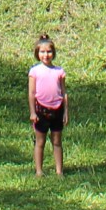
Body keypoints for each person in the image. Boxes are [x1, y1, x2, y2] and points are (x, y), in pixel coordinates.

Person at [28, 35, 66, 178]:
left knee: (57, 141)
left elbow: (64, 92)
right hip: (41, 110)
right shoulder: (34, 71)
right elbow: (31, 93)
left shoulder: (59, 71)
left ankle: (59, 171)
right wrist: (33, 112)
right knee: (40, 141)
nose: (46, 55)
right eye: (42, 52)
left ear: (53, 53)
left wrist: (65, 112)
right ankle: (39, 171)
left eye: (49, 52)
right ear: (38, 54)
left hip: (57, 109)